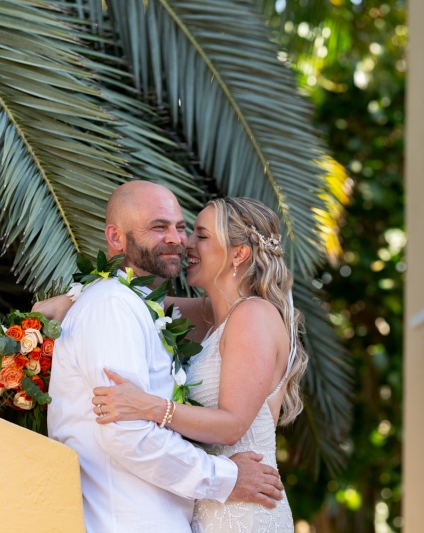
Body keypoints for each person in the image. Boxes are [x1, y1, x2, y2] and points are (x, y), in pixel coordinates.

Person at [40, 189, 305, 532]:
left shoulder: (253, 315)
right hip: (213, 498)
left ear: (238, 253)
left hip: (246, 500)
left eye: (199, 235)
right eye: (177, 230)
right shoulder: (206, 316)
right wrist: (75, 297)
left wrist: (151, 407)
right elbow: (135, 298)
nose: (184, 243)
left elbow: (233, 425)